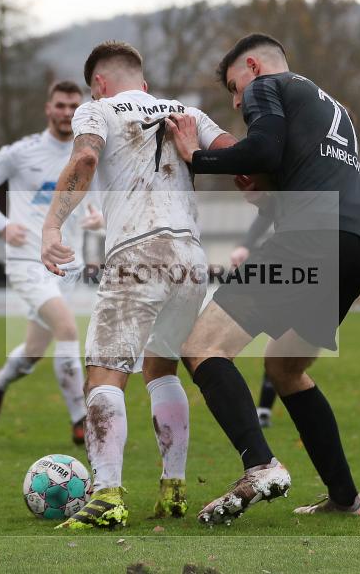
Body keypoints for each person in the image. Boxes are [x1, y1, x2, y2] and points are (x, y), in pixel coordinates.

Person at [166, 33, 360, 524]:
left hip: (313, 236)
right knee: (285, 366)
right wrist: (268, 190)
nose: (236, 102)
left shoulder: (269, 86)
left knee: (201, 346)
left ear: (254, 67)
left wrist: (197, 156)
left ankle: (260, 465)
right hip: (359, 245)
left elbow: (262, 150)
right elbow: (296, 168)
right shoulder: (332, 108)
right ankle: (346, 498)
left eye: (234, 88)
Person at [40, 41, 234, 529]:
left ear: (99, 83)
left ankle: (107, 496)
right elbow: (236, 154)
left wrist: (52, 226)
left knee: (103, 375)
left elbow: (85, 161)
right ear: (143, 85)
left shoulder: (97, 109)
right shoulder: (186, 112)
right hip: (191, 259)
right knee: (160, 368)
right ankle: (173, 487)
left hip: (138, 252)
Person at [0, 80, 104, 444]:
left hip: (67, 265)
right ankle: (81, 420)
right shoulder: (20, 152)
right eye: (60, 105)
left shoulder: (88, 154)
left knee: (33, 351)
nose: (66, 112)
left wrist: (98, 218)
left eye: (73, 106)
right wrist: (3, 224)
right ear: (48, 108)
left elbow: (98, 204)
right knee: (68, 330)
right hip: (27, 259)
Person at [238, 168, 360, 428]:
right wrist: (247, 243)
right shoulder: (312, 167)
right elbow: (276, 205)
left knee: (288, 349)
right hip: (305, 257)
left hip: (337, 262)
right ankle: (265, 407)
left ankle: (269, 405)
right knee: (284, 340)